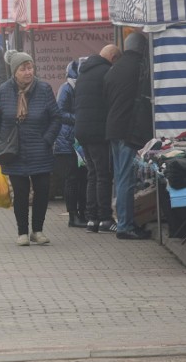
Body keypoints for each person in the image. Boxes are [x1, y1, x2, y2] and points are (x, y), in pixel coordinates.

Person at [0, 51, 61, 246]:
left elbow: (56, 117)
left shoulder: (44, 89)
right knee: (20, 193)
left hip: (39, 149)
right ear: (15, 72)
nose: (28, 72)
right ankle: (22, 232)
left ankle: (38, 230)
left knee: (42, 190)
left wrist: (47, 139)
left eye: (30, 68)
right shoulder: (4, 91)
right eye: (24, 69)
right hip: (14, 151)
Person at [104, 32, 152, 240]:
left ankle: (123, 220)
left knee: (119, 177)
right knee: (126, 179)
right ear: (142, 49)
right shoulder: (140, 68)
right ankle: (125, 225)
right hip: (128, 131)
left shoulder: (114, 69)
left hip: (113, 129)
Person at [75, 44, 122, 233]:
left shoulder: (83, 73)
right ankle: (104, 218)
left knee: (92, 174)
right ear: (114, 58)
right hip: (98, 130)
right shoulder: (106, 72)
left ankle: (91, 219)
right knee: (103, 175)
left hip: (82, 130)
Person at [54, 59, 88, 228]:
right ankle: (73, 215)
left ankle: (82, 213)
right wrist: (80, 119)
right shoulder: (66, 89)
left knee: (82, 178)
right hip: (67, 142)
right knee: (72, 179)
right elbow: (60, 113)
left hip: (76, 140)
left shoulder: (72, 88)